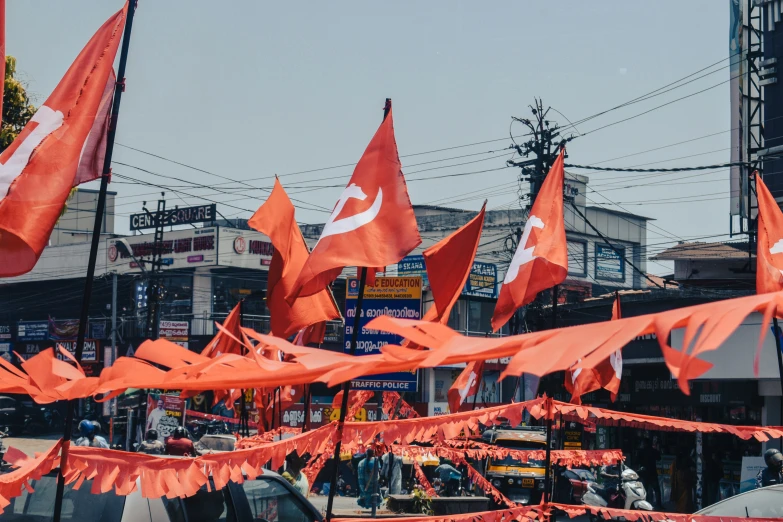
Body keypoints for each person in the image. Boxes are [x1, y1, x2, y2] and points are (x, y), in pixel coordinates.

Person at [638, 439, 662, 508]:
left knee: (644, 490)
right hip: (652, 473)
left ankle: (644, 504)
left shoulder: (641, 451)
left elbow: (637, 461)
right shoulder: (653, 451)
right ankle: (658, 504)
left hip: (644, 473)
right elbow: (659, 458)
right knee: (656, 490)